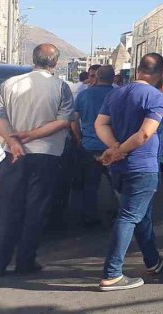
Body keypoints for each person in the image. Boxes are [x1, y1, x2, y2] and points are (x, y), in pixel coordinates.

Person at [0, 44, 74, 277]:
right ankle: (25, 262)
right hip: (46, 155)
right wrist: (33, 135)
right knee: (36, 210)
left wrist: (15, 141)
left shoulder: (10, 84)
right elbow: (64, 120)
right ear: (55, 63)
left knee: (6, 209)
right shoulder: (61, 87)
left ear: (33, 59)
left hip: (12, 155)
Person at [95, 53, 163, 291]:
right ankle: (112, 274)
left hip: (119, 169)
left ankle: (153, 260)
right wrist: (120, 150)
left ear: (137, 70)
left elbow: (100, 124)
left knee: (141, 215)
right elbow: (145, 134)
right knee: (129, 216)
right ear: (161, 73)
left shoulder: (115, 93)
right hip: (141, 167)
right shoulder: (155, 96)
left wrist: (113, 148)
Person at [72, 65, 116, 227]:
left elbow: (74, 120)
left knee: (90, 185)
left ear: (96, 77)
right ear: (113, 78)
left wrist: (79, 138)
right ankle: (116, 214)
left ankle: (90, 216)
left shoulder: (84, 95)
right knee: (116, 183)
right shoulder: (119, 95)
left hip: (89, 146)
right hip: (113, 147)